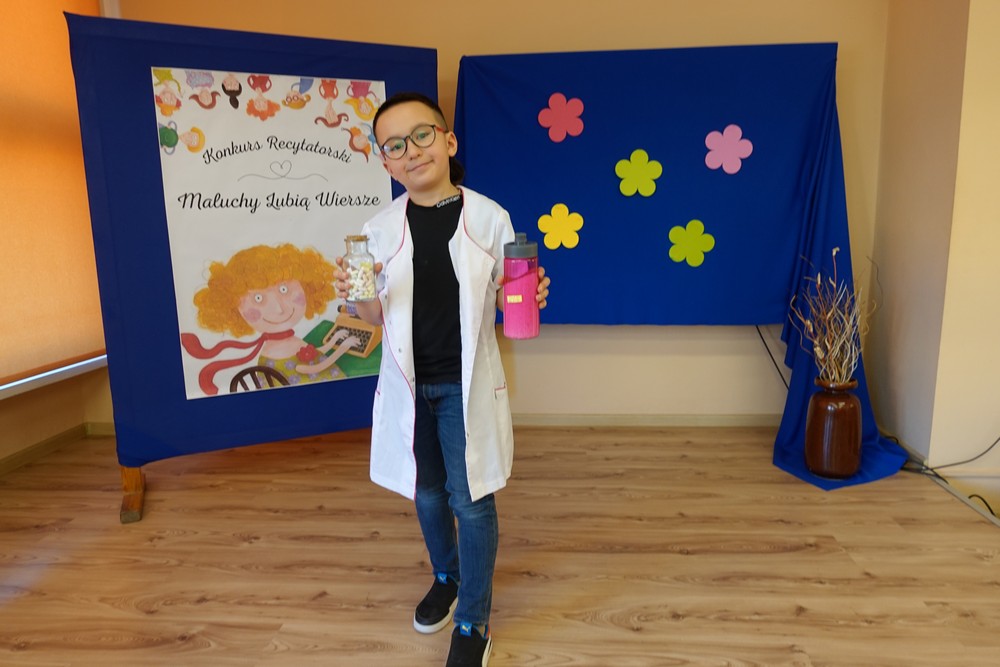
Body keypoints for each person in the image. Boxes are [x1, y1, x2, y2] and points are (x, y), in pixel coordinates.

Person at [334, 92, 550, 667]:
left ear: (448, 141)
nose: (411, 151)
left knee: (471, 500)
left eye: (422, 135)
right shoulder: (378, 228)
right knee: (427, 492)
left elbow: (507, 299)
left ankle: (474, 620)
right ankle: (448, 577)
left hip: (463, 387)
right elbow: (373, 317)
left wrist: (527, 294)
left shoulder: (490, 218)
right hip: (410, 389)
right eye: (394, 145)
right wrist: (355, 294)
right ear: (385, 161)